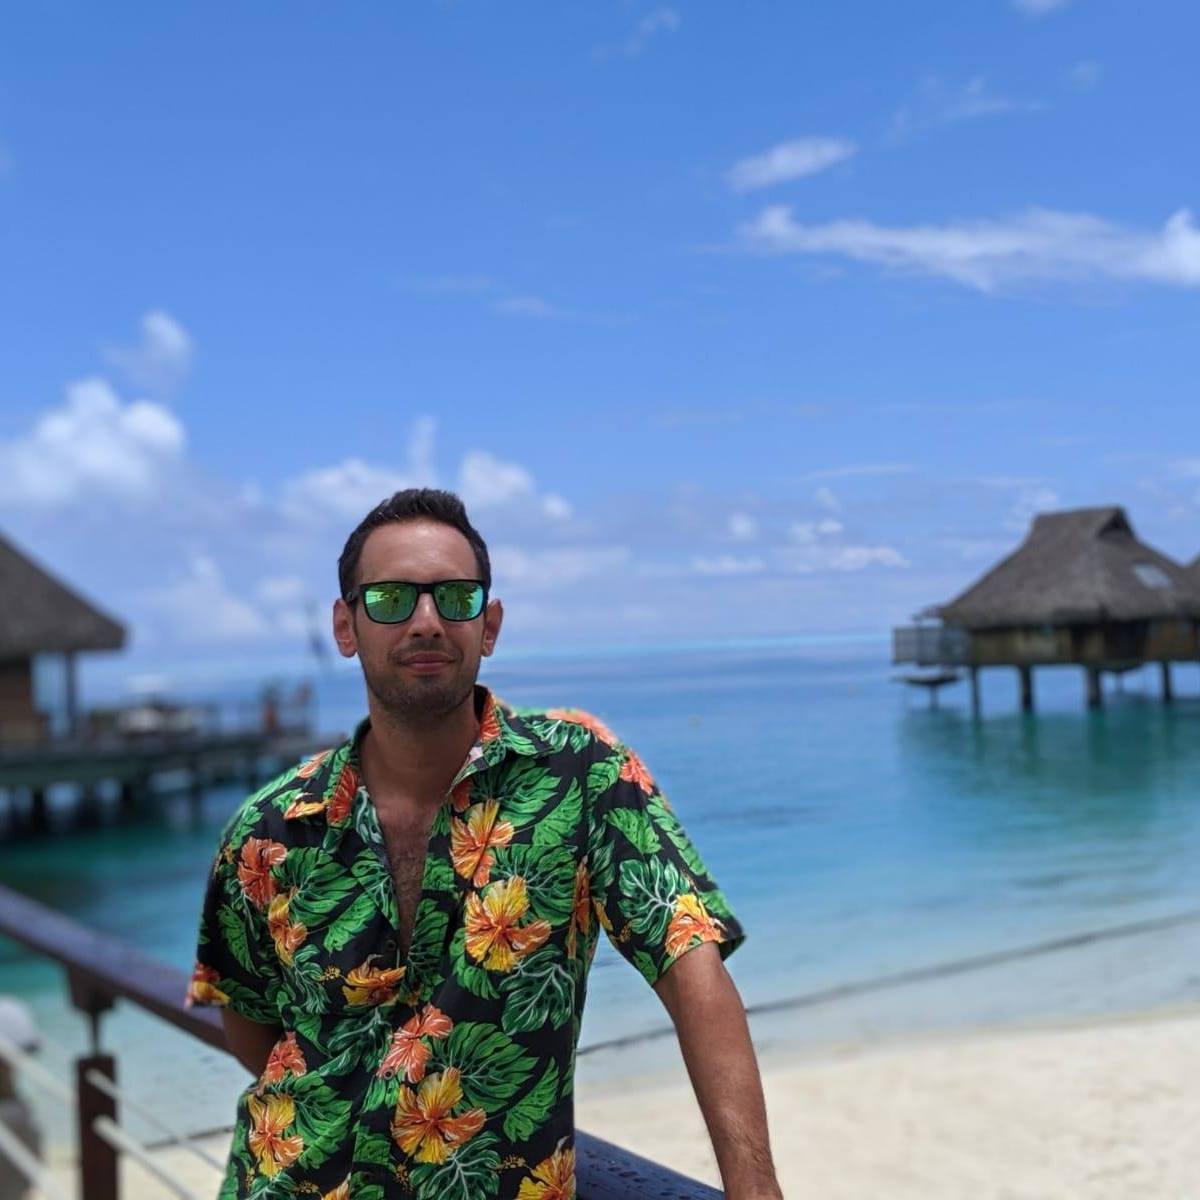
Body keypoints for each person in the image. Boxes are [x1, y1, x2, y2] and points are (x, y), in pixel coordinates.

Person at [186, 488, 782, 1200]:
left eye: (456, 598)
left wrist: (754, 1187)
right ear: (346, 627)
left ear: (489, 625)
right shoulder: (270, 828)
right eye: (391, 600)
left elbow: (691, 967)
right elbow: (249, 1022)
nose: (427, 621)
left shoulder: (579, 774)